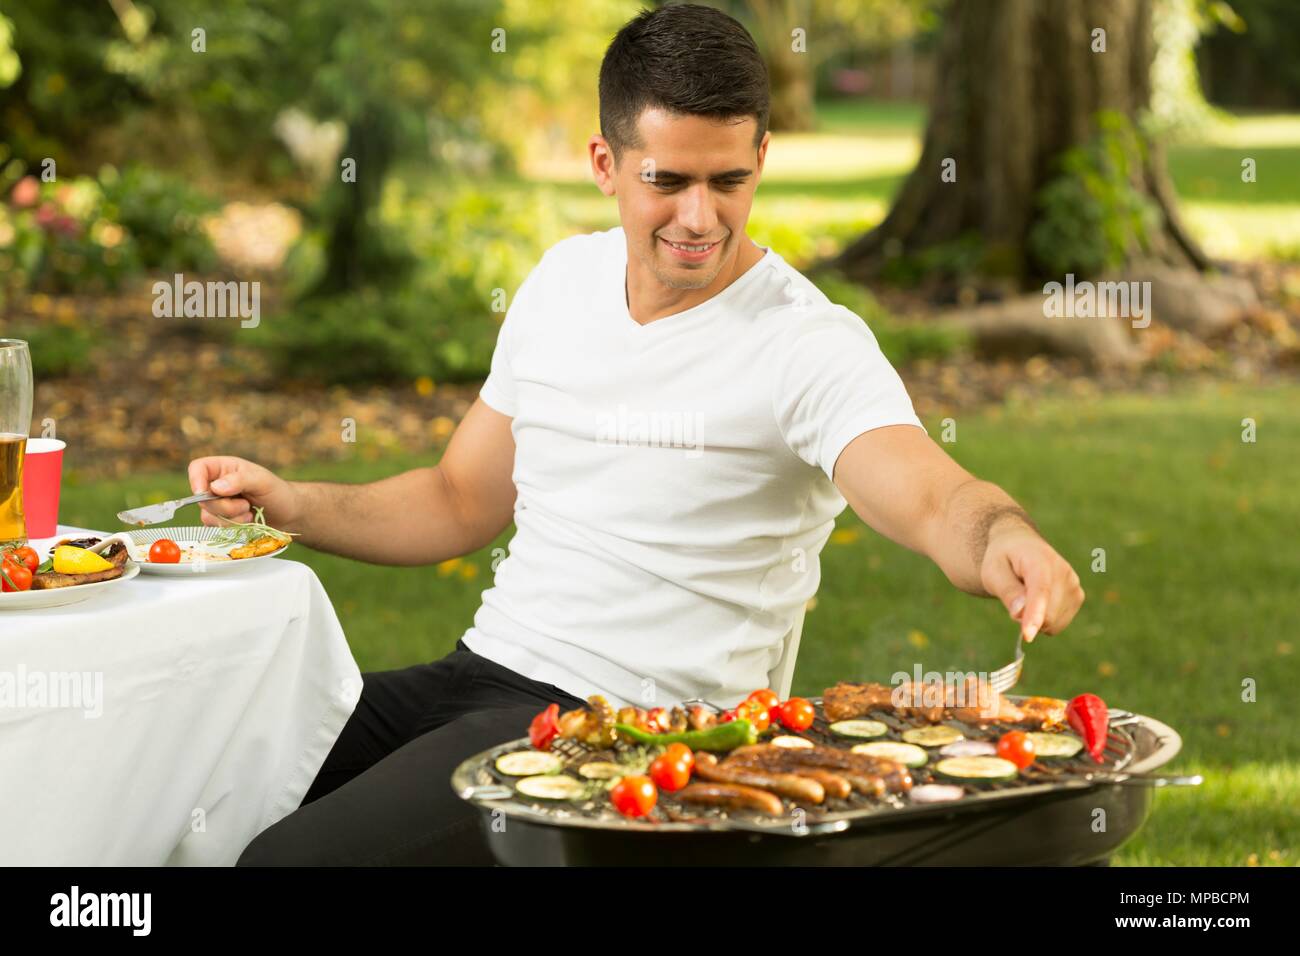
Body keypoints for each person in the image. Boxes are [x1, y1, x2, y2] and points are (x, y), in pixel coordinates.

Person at [198, 3, 1084, 865]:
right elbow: (458, 498)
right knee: (200, 770)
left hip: (632, 730)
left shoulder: (806, 346)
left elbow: (934, 497)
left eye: (728, 181)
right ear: (605, 162)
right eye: (668, 180)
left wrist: (1001, 534)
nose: (700, 217)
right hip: (477, 675)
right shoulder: (562, 280)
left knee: (291, 861)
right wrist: (289, 505)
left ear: (762, 159)